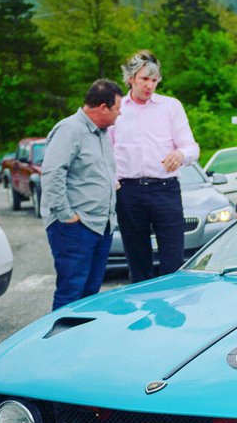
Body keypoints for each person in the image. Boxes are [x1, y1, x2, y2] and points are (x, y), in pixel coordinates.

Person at [111, 51, 200, 282]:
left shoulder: (171, 106)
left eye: (154, 80)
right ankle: (142, 312)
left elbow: (192, 147)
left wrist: (180, 154)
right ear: (131, 78)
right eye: (144, 79)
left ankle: (170, 313)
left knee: (173, 260)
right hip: (128, 192)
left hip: (165, 190)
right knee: (138, 262)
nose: (149, 85)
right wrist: (113, 180)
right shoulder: (118, 109)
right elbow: (105, 149)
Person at [41, 79, 123, 310]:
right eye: (117, 109)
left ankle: (82, 344)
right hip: (76, 227)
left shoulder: (102, 134)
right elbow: (52, 173)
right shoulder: (70, 130)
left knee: (90, 294)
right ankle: (60, 345)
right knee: (71, 292)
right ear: (103, 107)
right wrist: (66, 215)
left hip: (101, 225)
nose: (119, 115)